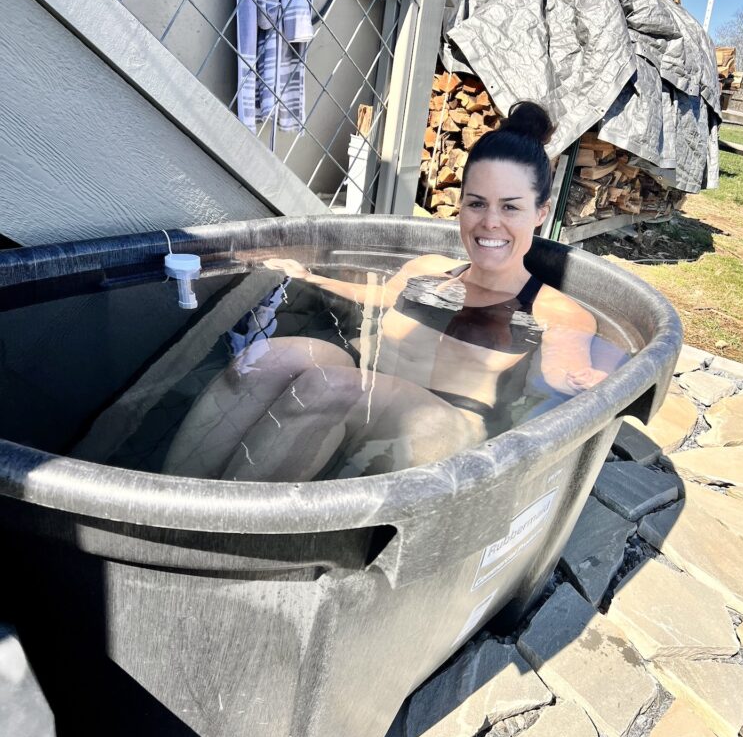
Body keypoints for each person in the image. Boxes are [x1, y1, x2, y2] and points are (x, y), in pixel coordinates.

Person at [163, 101, 608, 482]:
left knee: (330, 385)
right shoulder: (428, 269)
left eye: (510, 207)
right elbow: (379, 298)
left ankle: (214, 540)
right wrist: (309, 275)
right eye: (477, 203)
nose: (490, 222)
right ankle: (167, 501)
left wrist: (587, 380)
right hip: (365, 385)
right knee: (265, 359)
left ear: (540, 213)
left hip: (445, 422)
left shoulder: (554, 308)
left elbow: (565, 371)